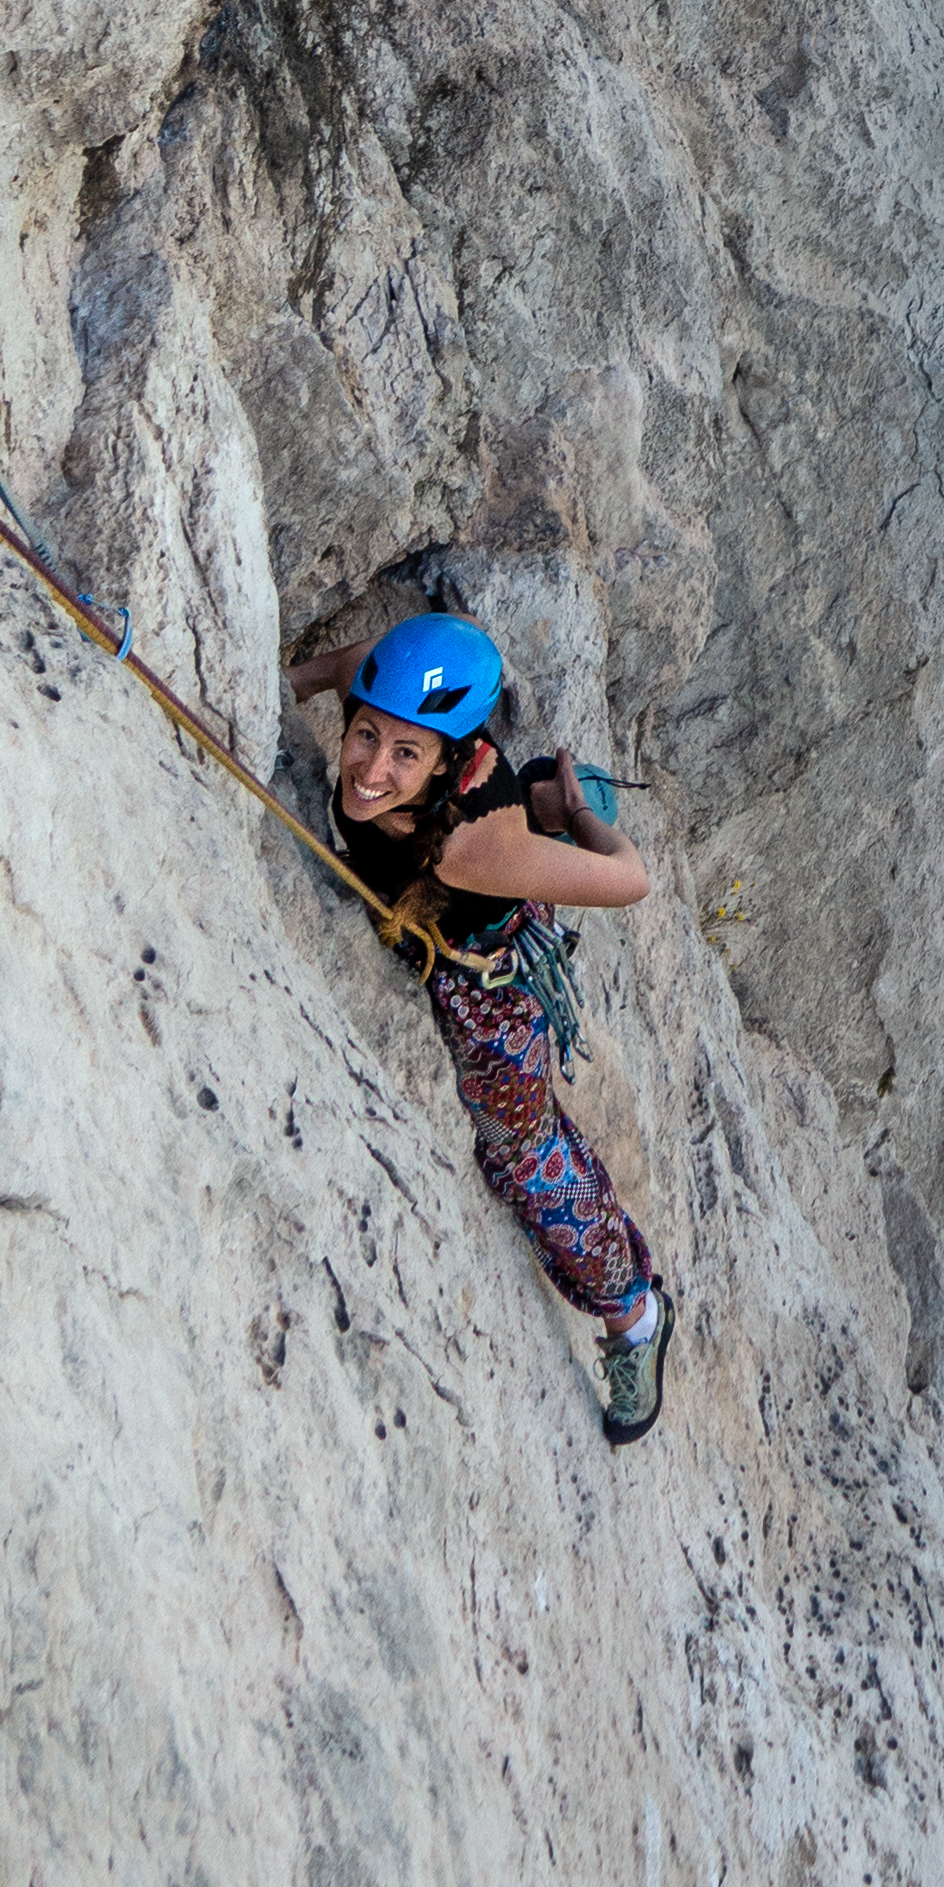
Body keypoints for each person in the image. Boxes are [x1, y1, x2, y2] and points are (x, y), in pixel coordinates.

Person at [296, 612, 673, 1444]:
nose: (370, 769)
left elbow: (629, 879)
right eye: (365, 737)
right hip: (445, 912)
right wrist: (281, 688)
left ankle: (634, 1314)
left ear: (444, 760)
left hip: (489, 981)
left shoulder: (476, 851)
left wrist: (580, 815)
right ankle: (539, 802)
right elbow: (346, 667)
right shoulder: (386, 689)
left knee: (525, 1156)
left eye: (405, 755)